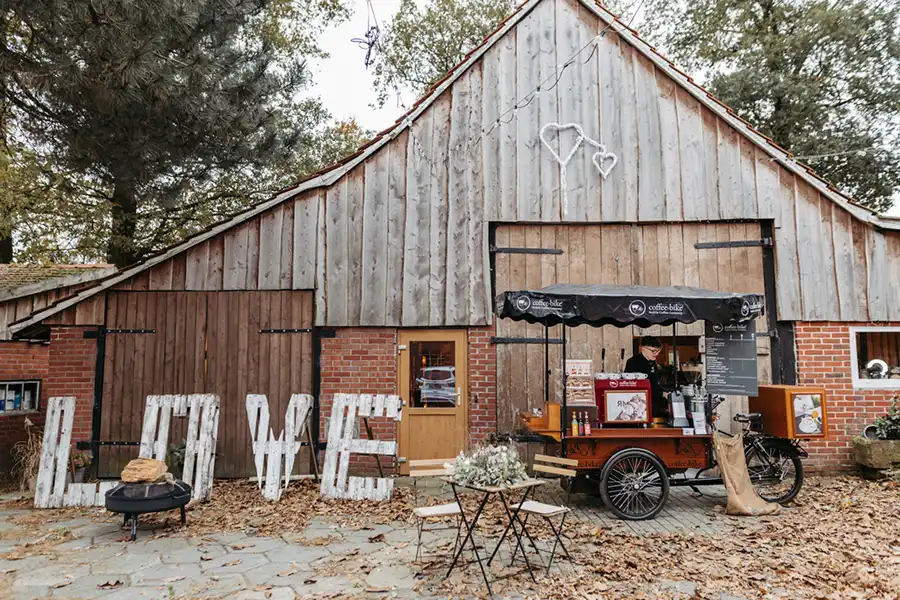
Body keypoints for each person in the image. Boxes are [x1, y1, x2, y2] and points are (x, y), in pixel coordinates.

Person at [624, 336, 668, 420]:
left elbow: (654, 383)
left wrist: (664, 392)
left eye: (658, 351)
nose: (657, 354)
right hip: (639, 406)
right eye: (653, 351)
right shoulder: (633, 362)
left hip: (653, 403)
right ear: (643, 348)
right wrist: (661, 393)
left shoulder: (652, 362)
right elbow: (632, 386)